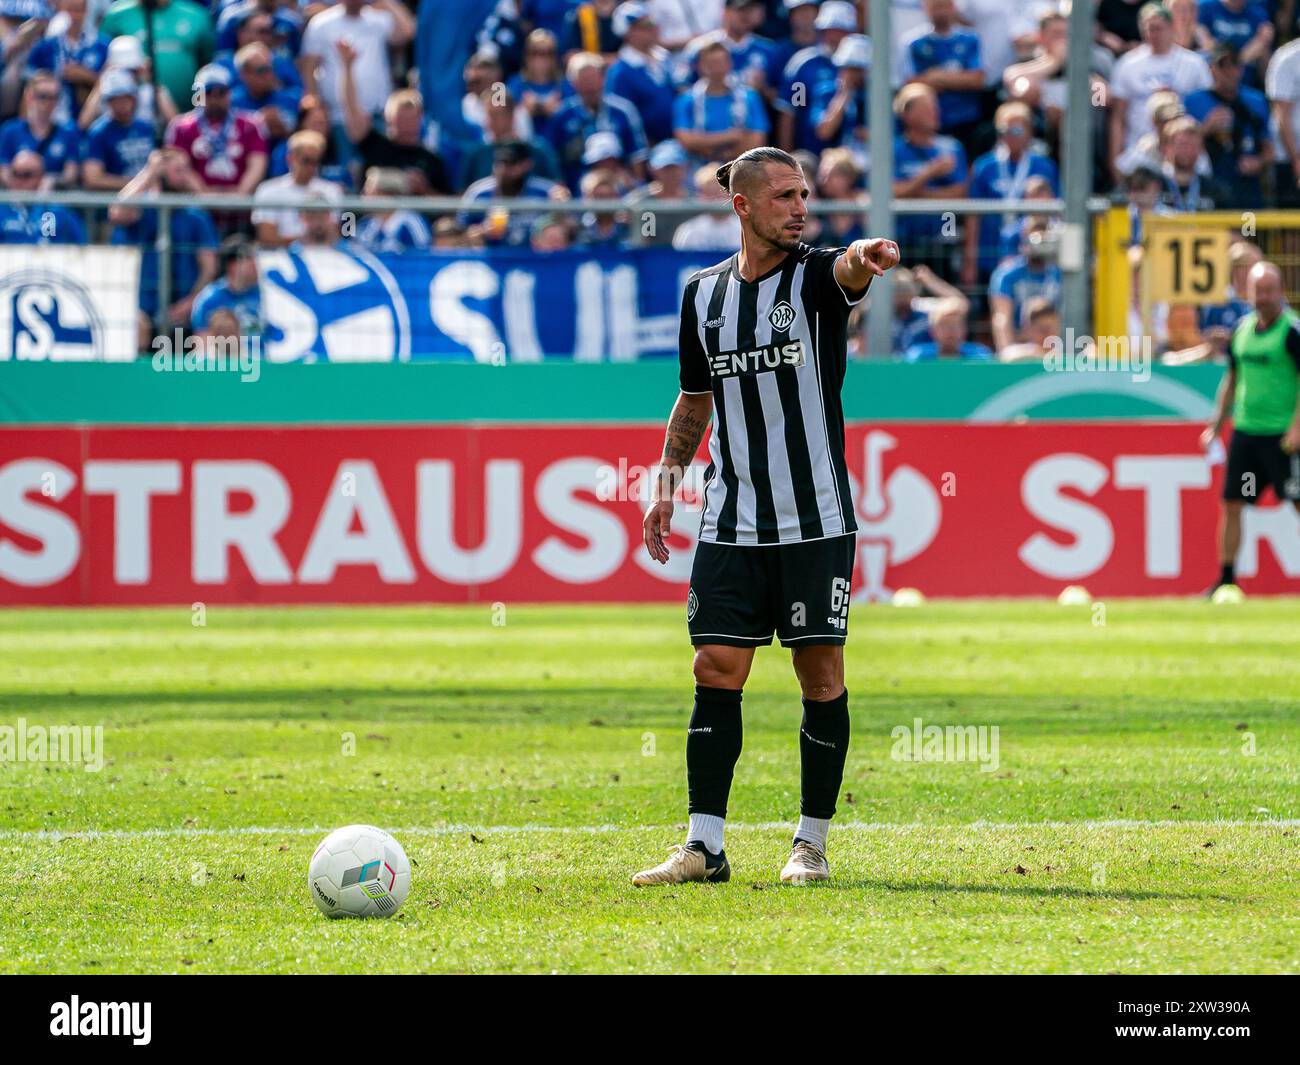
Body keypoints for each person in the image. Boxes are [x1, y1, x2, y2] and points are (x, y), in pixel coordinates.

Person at [634, 145, 900, 888]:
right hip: (733, 516)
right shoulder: (703, 295)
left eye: (805, 195)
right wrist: (666, 483)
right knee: (714, 666)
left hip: (815, 518)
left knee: (820, 675)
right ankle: (704, 845)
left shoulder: (816, 277)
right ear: (744, 204)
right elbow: (695, 397)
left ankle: (809, 843)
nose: (800, 207)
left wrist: (864, 255)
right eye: (784, 196)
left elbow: (846, 268)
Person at [1200, 261, 1300, 597]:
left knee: (1298, 502)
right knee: (1233, 503)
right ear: (1250, 293)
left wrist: (1297, 428)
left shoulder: (1292, 332)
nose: (1265, 297)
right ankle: (1226, 580)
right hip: (1247, 434)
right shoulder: (1242, 331)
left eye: (1271, 291)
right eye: (1259, 291)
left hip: (1284, 439)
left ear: (1281, 292)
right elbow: (1231, 380)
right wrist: (1216, 426)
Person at [165, 64, 268, 196]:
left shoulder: (251, 125)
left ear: (229, 93)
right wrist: (204, 195)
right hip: (197, 207)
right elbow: (180, 166)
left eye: (221, 92)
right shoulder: (181, 127)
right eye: (208, 93)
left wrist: (240, 196)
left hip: (242, 207)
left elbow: (257, 163)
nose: (215, 98)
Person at [98, 0, 215, 108]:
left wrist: (199, 109)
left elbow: (205, 70)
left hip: (188, 120)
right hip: (133, 120)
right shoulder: (116, 16)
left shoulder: (196, 15)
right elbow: (104, 69)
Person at [251, 129, 343, 246]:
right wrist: (304, 240)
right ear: (291, 158)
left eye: (315, 162)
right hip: (281, 257)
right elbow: (267, 237)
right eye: (306, 161)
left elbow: (342, 232)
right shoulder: (268, 190)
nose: (311, 168)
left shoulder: (332, 191)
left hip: (325, 257)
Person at [81, 67, 154, 190]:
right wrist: (138, 184)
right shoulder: (99, 132)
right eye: (115, 99)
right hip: (117, 200)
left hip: (148, 198)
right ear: (108, 102)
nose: (122, 104)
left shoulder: (146, 128)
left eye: (125, 97)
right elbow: (92, 178)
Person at [0, 150, 85, 242]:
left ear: (41, 177)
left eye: (27, 175)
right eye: (15, 174)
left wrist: (41, 202)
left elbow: (81, 246)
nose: (20, 180)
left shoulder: (58, 212)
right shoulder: (2, 210)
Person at [192, 235, 262, 338]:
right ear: (232, 265)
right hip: (227, 353)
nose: (257, 264)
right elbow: (202, 344)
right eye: (250, 259)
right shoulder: (210, 299)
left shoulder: (265, 294)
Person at [903, 296, 993, 361]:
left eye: (956, 325)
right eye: (944, 325)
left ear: (964, 330)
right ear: (932, 331)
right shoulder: (917, 358)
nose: (951, 330)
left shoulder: (980, 357)